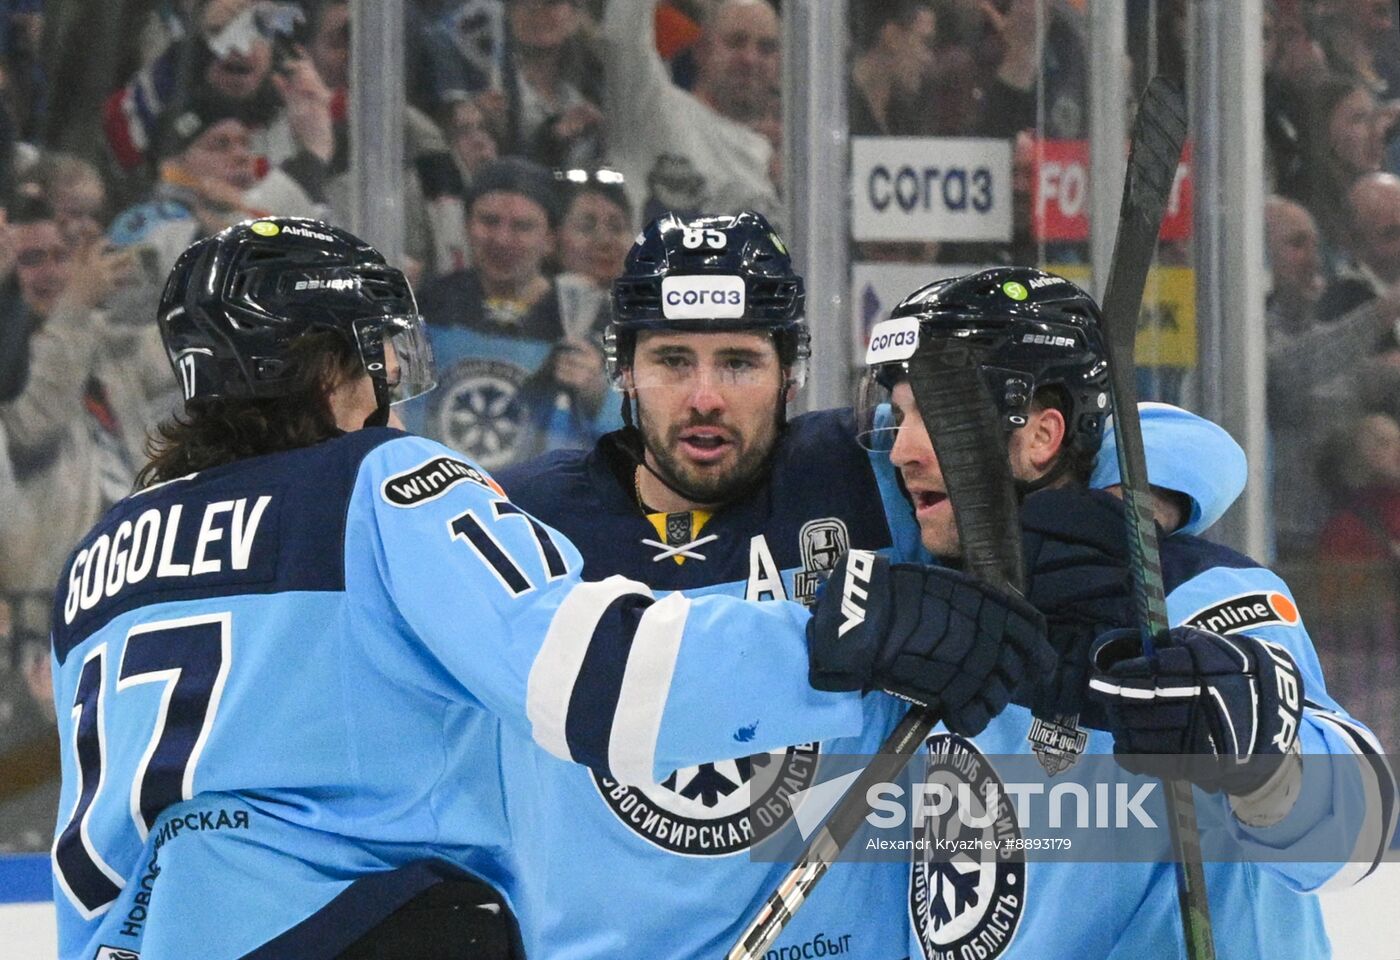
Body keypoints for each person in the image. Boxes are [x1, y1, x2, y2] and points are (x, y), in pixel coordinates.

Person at [48, 216, 1030, 960]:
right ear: (322, 370)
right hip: (343, 927)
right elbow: (587, 675)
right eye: (371, 358)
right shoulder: (377, 483)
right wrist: (832, 634)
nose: (388, 387)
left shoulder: (100, 559)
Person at [493, 216, 1247, 958]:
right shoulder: (522, 520)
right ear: (623, 369)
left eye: (738, 361)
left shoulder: (862, 472)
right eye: (671, 361)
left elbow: (1120, 431)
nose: (704, 398)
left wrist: (1124, 501)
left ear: (790, 371)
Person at [857, 266, 1397, 959]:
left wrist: (1264, 765)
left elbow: (1359, 836)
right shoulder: (925, 601)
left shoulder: (1189, 592)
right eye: (898, 416)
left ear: (1044, 435)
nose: (902, 449)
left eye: (936, 415)